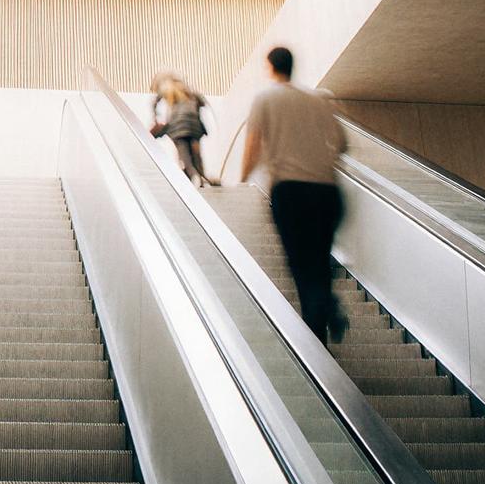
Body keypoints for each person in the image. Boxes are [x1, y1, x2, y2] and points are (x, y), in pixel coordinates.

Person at [240, 46, 348, 344]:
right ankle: (326, 305)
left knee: (301, 264)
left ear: (270, 67)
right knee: (318, 258)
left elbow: (253, 145)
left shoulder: (264, 98)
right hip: (327, 192)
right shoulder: (318, 99)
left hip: (291, 192)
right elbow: (341, 144)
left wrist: (242, 179)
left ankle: (317, 336)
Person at [149, 72, 216, 187]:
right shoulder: (189, 90)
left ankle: (194, 178)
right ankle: (202, 178)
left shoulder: (168, 88)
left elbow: (154, 102)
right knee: (196, 156)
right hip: (194, 127)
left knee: (185, 158)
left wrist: (155, 117)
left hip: (178, 127)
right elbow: (202, 102)